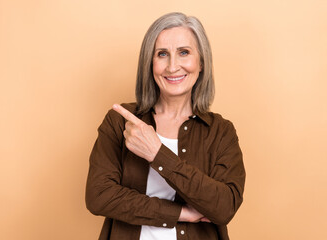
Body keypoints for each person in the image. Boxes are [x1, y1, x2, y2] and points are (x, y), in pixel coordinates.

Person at [86, 12, 246, 240]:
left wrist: (157, 154)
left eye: (184, 52)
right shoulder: (121, 121)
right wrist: (181, 212)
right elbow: (99, 196)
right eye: (162, 54)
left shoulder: (221, 132)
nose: (172, 66)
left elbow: (224, 207)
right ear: (150, 64)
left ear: (201, 63)